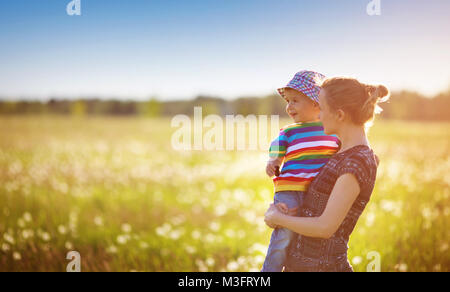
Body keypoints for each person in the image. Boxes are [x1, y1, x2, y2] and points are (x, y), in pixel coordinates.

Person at [264, 77, 389, 272]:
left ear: (339, 114)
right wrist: (288, 210)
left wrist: (277, 218)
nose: (318, 115)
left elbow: (325, 227)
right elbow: (315, 205)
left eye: (321, 108)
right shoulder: (338, 151)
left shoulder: (356, 161)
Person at [262, 71, 341, 272]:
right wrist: (273, 161)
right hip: (289, 189)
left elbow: (345, 152)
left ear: (317, 103)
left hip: (316, 192)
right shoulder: (289, 131)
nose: (289, 107)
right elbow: (277, 149)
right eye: (288, 101)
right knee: (284, 235)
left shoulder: (331, 131)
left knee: (304, 237)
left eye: (295, 101)